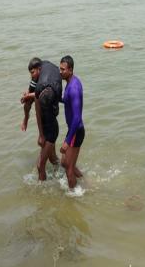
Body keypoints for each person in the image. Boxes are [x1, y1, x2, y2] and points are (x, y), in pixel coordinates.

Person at [28, 57, 62, 181]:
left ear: (40, 69)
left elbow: (40, 113)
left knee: (40, 165)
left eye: (33, 73)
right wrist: (25, 121)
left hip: (51, 132)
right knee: (53, 159)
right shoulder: (39, 88)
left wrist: (42, 136)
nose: (32, 76)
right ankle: (62, 174)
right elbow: (36, 111)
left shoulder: (45, 93)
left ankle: (42, 191)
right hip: (48, 128)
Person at [59, 55, 85, 189]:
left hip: (76, 130)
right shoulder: (70, 83)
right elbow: (67, 100)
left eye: (63, 69)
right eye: (60, 69)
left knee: (68, 168)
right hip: (73, 130)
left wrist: (67, 141)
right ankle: (83, 181)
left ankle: (74, 197)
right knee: (64, 163)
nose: (60, 72)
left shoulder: (74, 88)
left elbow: (77, 117)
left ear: (71, 70)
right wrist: (59, 98)